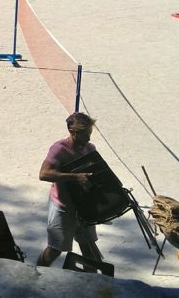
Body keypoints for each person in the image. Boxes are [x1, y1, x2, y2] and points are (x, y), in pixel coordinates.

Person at [37, 112, 101, 267]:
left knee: (88, 246)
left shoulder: (90, 148)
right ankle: (37, 275)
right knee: (55, 249)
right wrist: (75, 177)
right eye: (85, 134)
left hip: (83, 206)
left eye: (90, 133)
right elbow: (44, 174)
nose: (89, 138)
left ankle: (94, 282)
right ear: (73, 132)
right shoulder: (59, 149)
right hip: (63, 206)